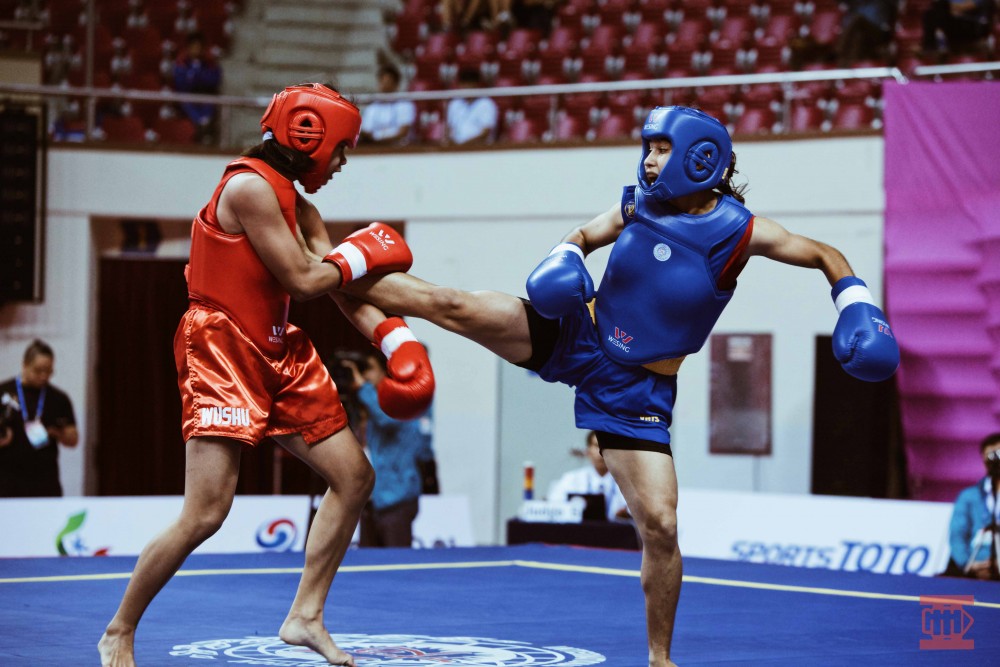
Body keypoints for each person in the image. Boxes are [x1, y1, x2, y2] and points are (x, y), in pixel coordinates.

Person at [341, 105, 900, 666]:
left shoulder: (740, 231)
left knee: (660, 525)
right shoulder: (637, 203)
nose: (649, 161)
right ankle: (328, 272)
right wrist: (565, 255)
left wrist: (856, 306)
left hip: (637, 391)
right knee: (451, 304)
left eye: (662, 149)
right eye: (648, 148)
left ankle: (659, 658)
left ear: (699, 158)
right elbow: (585, 234)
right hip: (577, 333)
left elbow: (825, 254)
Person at [98, 83, 435, 667]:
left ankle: (305, 616)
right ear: (310, 135)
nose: (342, 162)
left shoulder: (301, 209)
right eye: (342, 148)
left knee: (354, 477)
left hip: (280, 351)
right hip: (222, 348)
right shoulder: (249, 188)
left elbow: (343, 289)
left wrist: (396, 340)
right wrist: (361, 253)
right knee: (206, 512)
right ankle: (119, 629)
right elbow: (305, 280)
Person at [344, 348, 435, 547]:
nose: (365, 376)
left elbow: (387, 418)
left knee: (396, 561)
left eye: (369, 369)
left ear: (386, 372)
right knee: (368, 563)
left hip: (396, 498)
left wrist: (362, 388)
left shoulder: (401, 398)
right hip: (371, 498)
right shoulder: (370, 402)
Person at [0, 340, 79, 497]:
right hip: (7, 482)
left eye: (48, 371)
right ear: (24, 365)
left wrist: (58, 433)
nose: (43, 376)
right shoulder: (4, 392)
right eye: (38, 371)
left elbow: (73, 439)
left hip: (45, 483)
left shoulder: (59, 398)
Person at [944, 432, 1000, 581]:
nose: (996, 460)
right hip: (974, 567)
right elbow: (957, 535)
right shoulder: (969, 496)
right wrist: (968, 565)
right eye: (991, 456)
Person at [548, 430, 629, 521]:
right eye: (597, 446)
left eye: (607, 447)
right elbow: (553, 508)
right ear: (588, 450)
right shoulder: (571, 479)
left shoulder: (628, 482)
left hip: (619, 529)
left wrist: (628, 514)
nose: (601, 452)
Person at [171, 31, 222, 143]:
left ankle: (205, 122)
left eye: (199, 47)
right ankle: (200, 122)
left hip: (205, 96)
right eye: (193, 47)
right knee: (185, 99)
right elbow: (180, 83)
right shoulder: (181, 63)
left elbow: (213, 80)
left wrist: (194, 76)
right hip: (187, 98)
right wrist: (197, 77)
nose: (196, 50)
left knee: (209, 100)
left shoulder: (210, 64)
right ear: (188, 48)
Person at [359, 64, 416, 146]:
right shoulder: (372, 108)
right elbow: (366, 132)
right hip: (376, 147)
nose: (384, 86)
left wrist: (376, 138)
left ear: (396, 84)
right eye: (382, 82)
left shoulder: (405, 105)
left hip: (399, 148)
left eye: (388, 82)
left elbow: (403, 132)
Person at [445, 67, 498, 146]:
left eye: (470, 86)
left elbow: (486, 133)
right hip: (456, 148)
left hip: (480, 148)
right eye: (464, 85)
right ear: (459, 85)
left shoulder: (486, 104)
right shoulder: (454, 104)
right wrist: (454, 146)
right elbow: (448, 131)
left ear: (476, 85)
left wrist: (464, 146)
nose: (466, 88)